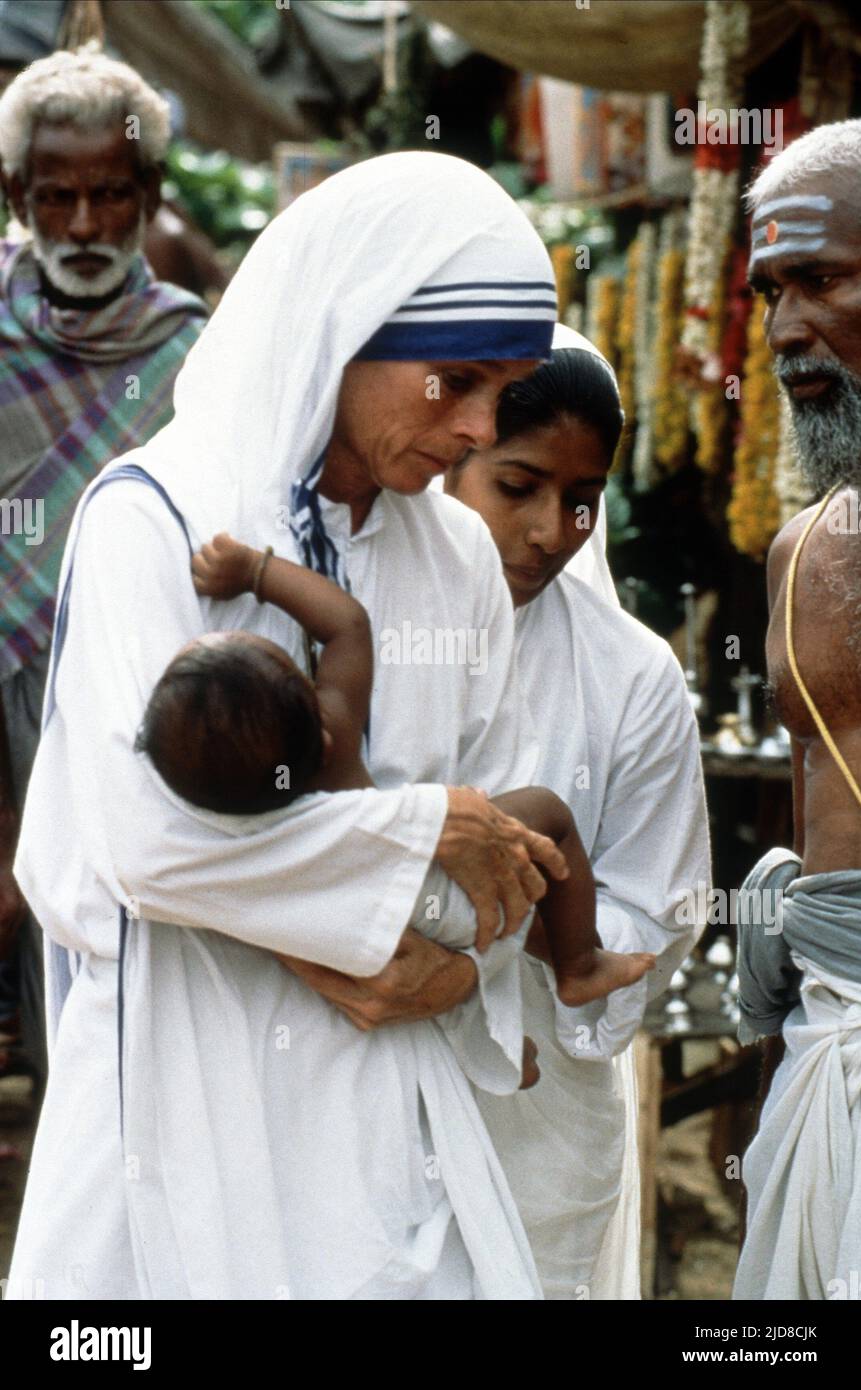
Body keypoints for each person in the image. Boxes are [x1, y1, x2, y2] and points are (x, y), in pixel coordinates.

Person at [9, 150, 572, 1301]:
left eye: (503, 392)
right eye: (453, 379)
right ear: (343, 327)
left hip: (391, 1095)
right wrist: (418, 840)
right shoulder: (154, 518)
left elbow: (508, 836)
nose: (476, 427)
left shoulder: (456, 552)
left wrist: (456, 976)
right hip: (185, 1072)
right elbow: (145, 844)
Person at [444, 327, 710, 1298]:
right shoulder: (363, 633)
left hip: (544, 1126)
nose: (554, 530)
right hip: (371, 1095)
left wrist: (527, 928)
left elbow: (664, 908)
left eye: (583, 500)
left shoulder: (633, 674)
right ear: (450, 459)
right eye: (518, 487)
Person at [137, 531, 654, 1002]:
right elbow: (348, 625)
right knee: (548, 813)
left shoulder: (235, 823)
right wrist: (256, 572)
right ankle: (580, 965)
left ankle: (509, 1050)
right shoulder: (335, 738)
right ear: (319, 729)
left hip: (358, 930)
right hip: (441, 895)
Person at [0, 46, 207, 1082]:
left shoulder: (195, 354)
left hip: (123, 701)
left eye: (109, 197)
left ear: (149, 195)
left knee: (97, 976)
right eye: (57, 197)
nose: (84, 226)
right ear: (15, 194)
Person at [733, 119, 861, 1300]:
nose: (782, 332)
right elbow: (817, 789)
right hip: (825, 1057)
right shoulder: (801, 549)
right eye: (770, 291)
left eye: (820, 280)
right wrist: (788, 904)